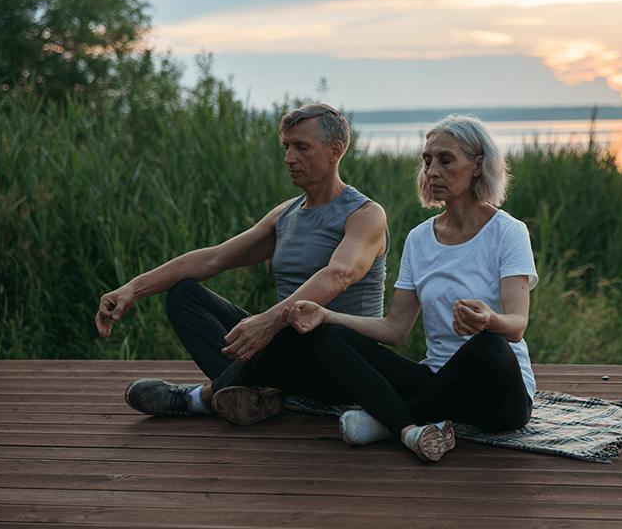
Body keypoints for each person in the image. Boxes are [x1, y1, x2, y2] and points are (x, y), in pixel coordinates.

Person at [95, 103, 389, 425]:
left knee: (295, 327)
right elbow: (214, 258)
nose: (289, 158)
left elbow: (339, 275)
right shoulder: (286, 215)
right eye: (286, 147)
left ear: (335, 151)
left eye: (301, 147)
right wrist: (133, 289)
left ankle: (199, 399)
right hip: (289, 352)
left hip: (341, 362)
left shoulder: (365, 216)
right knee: (184, 295)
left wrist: (269, 320)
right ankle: (253, 395)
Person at [283, 114, 537, 462]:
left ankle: (390, 422)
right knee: (332, 336)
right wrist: (327, 314)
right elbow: (395, 328)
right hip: (435, 381)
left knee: (489, 346)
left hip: (498, 396)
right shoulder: (420, 239)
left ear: (478, 165)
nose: (432, 171)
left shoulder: (508, 232)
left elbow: (517, 326)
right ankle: (411, 427)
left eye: (446, 160)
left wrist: (490, 320)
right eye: (427, 160)